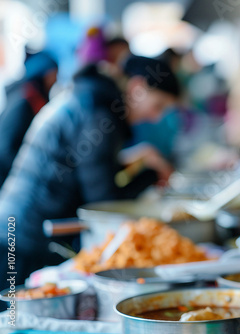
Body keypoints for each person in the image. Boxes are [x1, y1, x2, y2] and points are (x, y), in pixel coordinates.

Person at [0, 55, 179, 290]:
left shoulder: (90, 98)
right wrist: (151, 176)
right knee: (15, 317)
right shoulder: (99, 113)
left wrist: (137, 160)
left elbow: (84, 166)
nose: (156, 117)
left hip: (17, 226)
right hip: (26, 239)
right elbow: (105, 206)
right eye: (158, 106)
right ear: (137, 88)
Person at [0, 50, 58, 187]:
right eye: (54, 73)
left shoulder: (31, 96)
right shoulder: (25, 100)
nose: (56, 79)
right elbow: (6, 147)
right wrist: (23, 177)